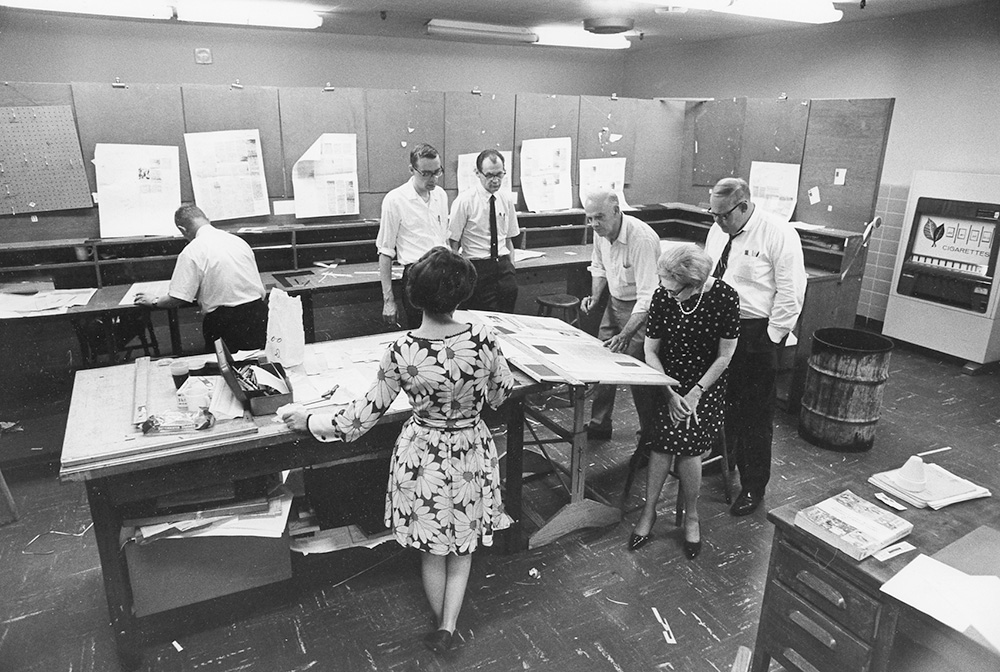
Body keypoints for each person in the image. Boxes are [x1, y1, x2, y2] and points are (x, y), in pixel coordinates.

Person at [281, 247, 514, 654]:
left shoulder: (402, 351)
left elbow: (361, 417)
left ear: (414, 296)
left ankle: (441, 624)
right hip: (469, 450)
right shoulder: (483, 338)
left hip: (423, 454)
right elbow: (500, 394)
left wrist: (310, 421)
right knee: (462, 545)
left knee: (431, 548)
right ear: (462, 294)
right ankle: (448, 624)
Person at [629, 244, 739, 559]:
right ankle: (649, 512)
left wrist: (695, 392)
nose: (666, 291)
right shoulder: (664, 296)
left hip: (707, 384)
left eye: (673, 287)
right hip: (667, 379)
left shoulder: (725, 298)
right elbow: (650, 351)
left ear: (693, 284)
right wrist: (668, 390)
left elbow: (725, 356)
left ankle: (691, 515)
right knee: (663, 441)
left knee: (687, 441)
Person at [705, 177, 806, 516]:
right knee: (723, 402)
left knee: (754, 415)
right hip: (721, 327)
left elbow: (792, 293)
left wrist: (771, 339)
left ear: (744, 206)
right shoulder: (719, 227)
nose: (717, 222)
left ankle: (753, 486)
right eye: (713, 214)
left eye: (724, 216)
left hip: (756, 332)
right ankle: (726, 459)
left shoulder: (779, 233)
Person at [580, 190, 660, 441]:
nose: (594, 224)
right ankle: (600, 423)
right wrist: (595, 297)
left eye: (599, 217)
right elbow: (599, 266)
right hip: (614, 302)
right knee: (603, 360)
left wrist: (627, 334)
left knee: (638, 373)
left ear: (616, 211)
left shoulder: (642, 239)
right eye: (590, 218)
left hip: (640, 309)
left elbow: (649, 295)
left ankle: (649, 436)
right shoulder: (600, 233)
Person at [134, 204, 267, 352]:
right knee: (258, 363)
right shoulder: (238, 241)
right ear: (207, 220)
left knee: (224, 369)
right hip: (258, 313)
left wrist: (154, 300)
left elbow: (178, 298)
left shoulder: (192, 250)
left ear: (182, 229)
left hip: (225, 322)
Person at [376, 143, 449, 329]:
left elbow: (444, 239)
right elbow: (385, 252)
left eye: (437, 172)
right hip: (417, 277)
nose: (433, 179)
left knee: (446, 335)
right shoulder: (395, 200)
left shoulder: (440, 195)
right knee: (420, 337)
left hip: (443, 275)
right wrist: (388, 301)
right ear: (411, 169)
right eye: (426, 173)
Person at [448, 149, 520, 312]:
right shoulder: (465, 201)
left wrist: (511, 267)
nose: (495, 180)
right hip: (476, 267)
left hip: (503, 268)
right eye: (489, 175)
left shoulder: (506, 199)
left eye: (499, 175)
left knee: (507, 320)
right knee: (482, 322)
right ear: (477, 173)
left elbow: (508, 239)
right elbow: (453, 242)